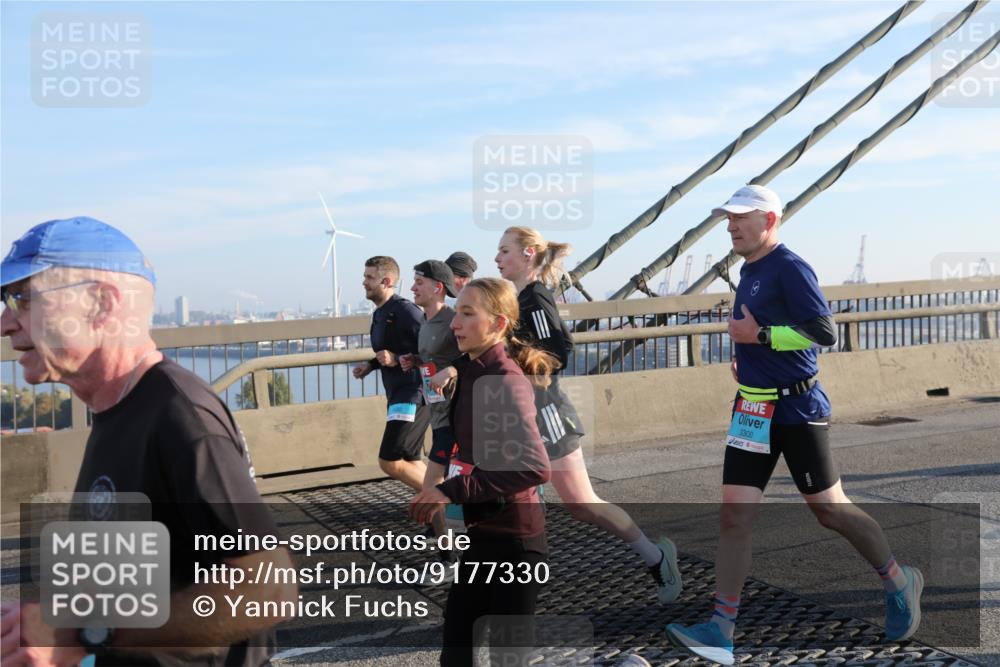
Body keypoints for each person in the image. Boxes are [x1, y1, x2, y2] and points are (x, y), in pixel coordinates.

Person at [0, 217, 297, 667]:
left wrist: (85, 633)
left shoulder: (180, 415)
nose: (5, 323)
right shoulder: (116, 409)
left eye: (22, 298)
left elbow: (268, 589)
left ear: (101, 303)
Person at [665, 185, 923, 665]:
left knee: (830, 511)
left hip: (798, 410)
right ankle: (721, 629)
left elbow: (823, 331)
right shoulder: (748, 269)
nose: (730, 226)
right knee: (734, 517)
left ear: (769, 220)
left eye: (740, 218)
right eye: (728, 219)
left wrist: (758, 335)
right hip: (751, 411)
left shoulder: (789, 266)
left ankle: (899, 580)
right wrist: (748, 362)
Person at [494, 226, 682, 604]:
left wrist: (514, 351)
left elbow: (559, 351)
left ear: (528, 253)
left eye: (504, 251)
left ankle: (658, 558)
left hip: (548, 416)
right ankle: (509, 585)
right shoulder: (519, 301)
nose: (497, 258)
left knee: (582, 504)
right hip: (522, 419)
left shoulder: (534, 300)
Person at [410, 277, 554, 667]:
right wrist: (452, 369)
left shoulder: (505, 382)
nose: (455, 322)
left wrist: (450, 490)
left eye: (468, 314)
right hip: (483, 536)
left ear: (499, 325)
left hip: (516, 546)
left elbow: (535, 468)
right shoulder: (473, 367)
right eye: (457, 311)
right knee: (456, 648)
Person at [399, 260, 462, 567]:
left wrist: (451, 370)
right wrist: (415, 359)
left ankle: (451, 559)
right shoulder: (426, 322)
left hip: (456, 419)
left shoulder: (454, 320)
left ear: (437, 288)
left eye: (418, 282)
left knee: (432, 490)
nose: (413, 288)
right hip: (437, 416)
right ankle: (455, 556)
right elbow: (433, 359)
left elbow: (477, 356)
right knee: (441, 492)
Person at [353, 256, 431, 491]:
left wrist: (396, 359)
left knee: (389, 460)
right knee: (410, 459)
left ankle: (451, 501)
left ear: (386, 281)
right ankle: (442, 526)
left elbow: (430, 349)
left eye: (369, 277)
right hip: (397, 394)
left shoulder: (407, 311)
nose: (363, 282)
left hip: (414, 396)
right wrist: (371, 365)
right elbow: (388, 351)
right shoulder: (379, 314)